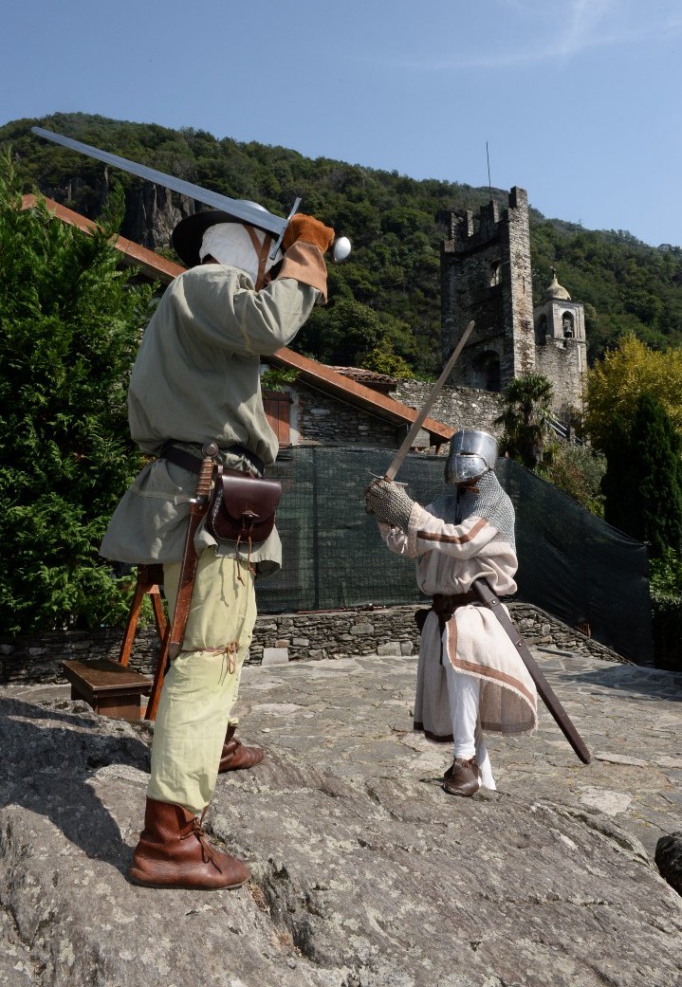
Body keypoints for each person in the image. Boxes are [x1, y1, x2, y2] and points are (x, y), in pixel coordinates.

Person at [100, 204, 334, 888]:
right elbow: (273, 324)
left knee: (213, 640)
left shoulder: (191, 306)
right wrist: (307, 256)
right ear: (251, 248)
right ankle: (169, 838)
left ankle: (214, 743)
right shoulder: (206, 284)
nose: (269, 270)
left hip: (194, 490)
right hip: (207, 496)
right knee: (211, 653)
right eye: (270, 254)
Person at [364, 429, 537, 797]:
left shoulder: (497, 504)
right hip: (442, 612)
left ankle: (464, 759)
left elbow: (462, 541)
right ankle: (484, 777)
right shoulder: (445, 504)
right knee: (461, 692)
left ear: (484, 461)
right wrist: (386, 516)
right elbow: (410, 544)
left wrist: (409, 513)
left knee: (463, 673)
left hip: (477, 612)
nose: (458, 465)